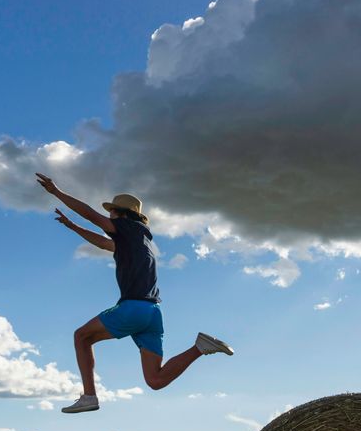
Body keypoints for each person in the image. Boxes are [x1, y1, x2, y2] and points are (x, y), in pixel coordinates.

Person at [36, 172, 233, 413]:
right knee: (156, 380)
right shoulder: (139, 239)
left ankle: (89, 396)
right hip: (152, 313)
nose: (109, 216)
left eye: (111, 212)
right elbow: (103, 243)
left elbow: (91, 215)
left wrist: (57, 192)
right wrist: (72, 226)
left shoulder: (126, 227)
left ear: (121, 214)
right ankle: (200, 347)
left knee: (81, 337)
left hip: (133, 308)